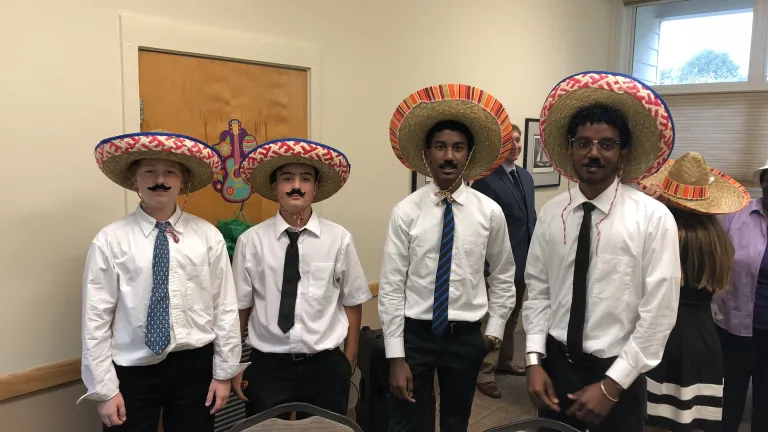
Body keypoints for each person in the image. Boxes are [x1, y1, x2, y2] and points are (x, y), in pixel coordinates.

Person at [522, 71, 682, 432]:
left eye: (606, 144)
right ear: (571, 148)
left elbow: (659, 312)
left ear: (622, 152)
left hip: (618, 376)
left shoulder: (653, 219)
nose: (593, 153)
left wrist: (612, 386)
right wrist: (533, 359)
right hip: (555, 370)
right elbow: (539, 292)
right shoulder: (551, 214)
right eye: (584, 143)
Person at [79, 131, 244, 431]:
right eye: (149, 171)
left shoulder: (208, 237)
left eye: (170, 172)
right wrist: (104, 389)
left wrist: (223, 373)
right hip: (132, 371)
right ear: (134, 179)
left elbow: (225, 308)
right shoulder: (110, 241)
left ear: (183, 181)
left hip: (195, 368)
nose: (160, 179)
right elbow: (95, 319)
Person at [379, 84, 518, 432]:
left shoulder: (489, 213)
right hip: (417, 336)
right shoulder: (406, 212)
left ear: (468, 155)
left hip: (466, 336)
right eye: (440, 147)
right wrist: (396, 355)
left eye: (458, 148)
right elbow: (393, 285)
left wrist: (495, 332)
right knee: (409, 420)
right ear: (428, 154)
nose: (449, 156)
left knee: (457, 420)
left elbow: (503, 274)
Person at [231, 138, 372, 417]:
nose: (296, 185)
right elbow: (240, 308)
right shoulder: (251, 242)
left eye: (305, 178)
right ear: (275, 188)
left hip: (325, 365)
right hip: (268, 365)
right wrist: (233, 363)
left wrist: (349, 358)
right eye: (287, 178)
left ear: (315, 188)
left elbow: (352, 300)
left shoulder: (338, 239)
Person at [639, 152, 749, 432]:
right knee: (691, 420)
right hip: (704, 337)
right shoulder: (719, 239)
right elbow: (721, 289)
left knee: (656, 419)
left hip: (664, 334)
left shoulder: (665, 233)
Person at [472, 123, 536, 398]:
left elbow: (529, 218)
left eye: (519, 140)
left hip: (523, 262)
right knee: (494, 317)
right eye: (510, 141)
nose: (516, 145)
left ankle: (506, 361)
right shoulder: (485, 180)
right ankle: (483, 373)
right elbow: (480, 230)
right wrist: (486, 268)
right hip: (496, 266)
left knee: (512, 317)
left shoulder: (526, 177)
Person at [713, 157, 768, 432]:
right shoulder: (736, 215)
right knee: (729, 400)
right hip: (734, 327)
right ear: (762, 183)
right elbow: (712, 249)